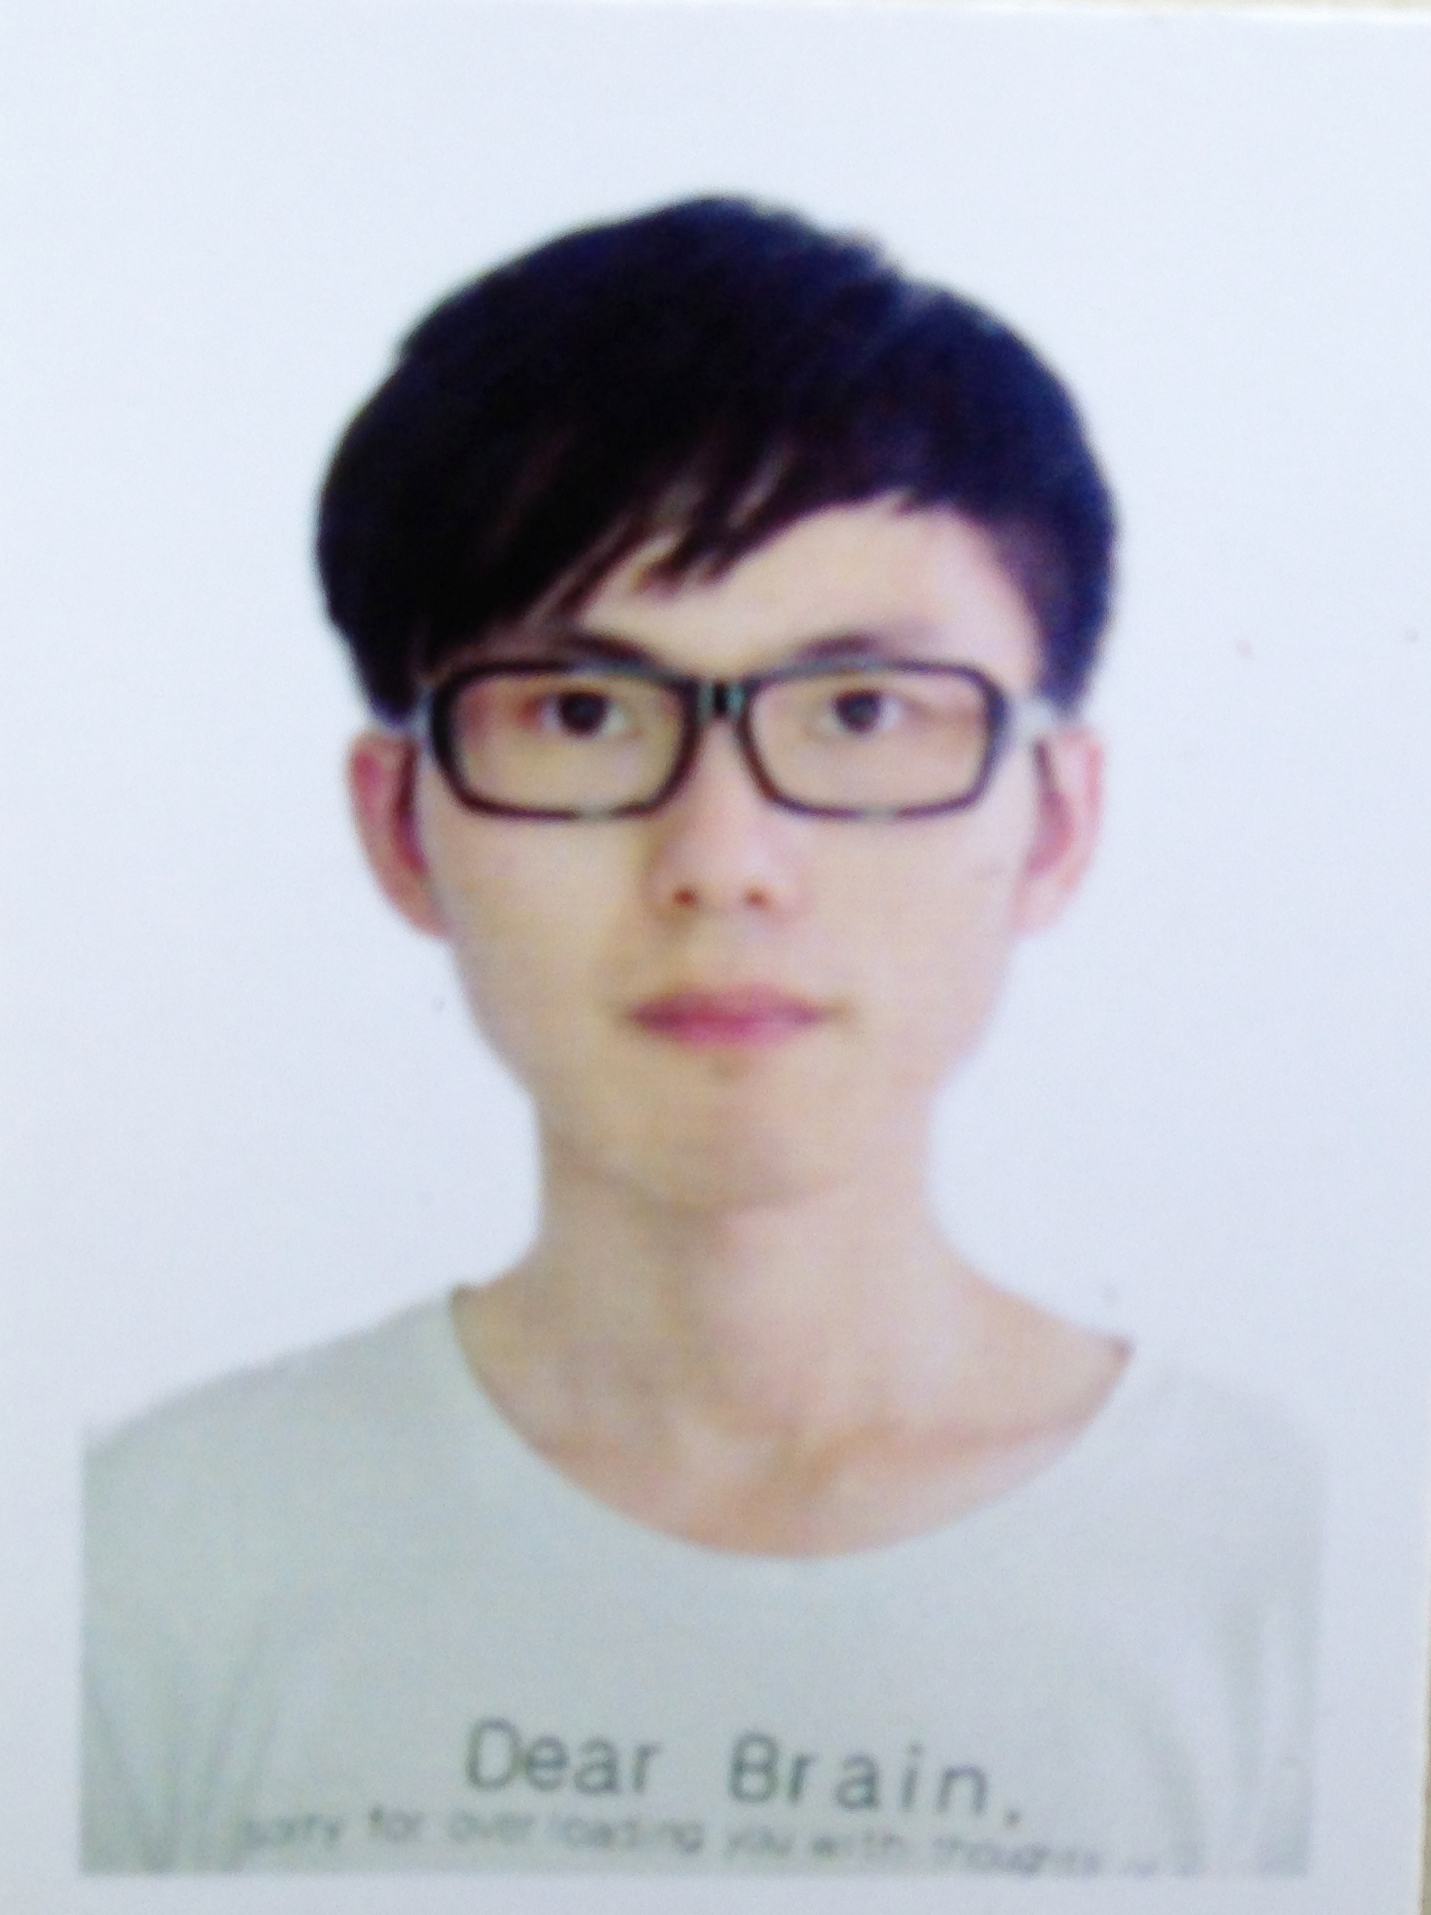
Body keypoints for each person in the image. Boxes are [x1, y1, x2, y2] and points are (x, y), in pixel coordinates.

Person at [84, 197, 1319, 1877]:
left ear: (1055, 822)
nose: (723, 862)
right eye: (584, 712)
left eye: (861, 710)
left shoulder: (1295, 1577)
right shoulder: (146, 1564)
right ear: (401, 828)